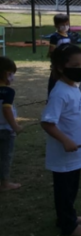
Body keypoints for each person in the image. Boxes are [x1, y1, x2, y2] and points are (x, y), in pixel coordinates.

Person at [40, 44, 81, 236]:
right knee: (64, 192)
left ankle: (69, 216)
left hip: (77, 152)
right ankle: (69, 227)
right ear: (61, 67)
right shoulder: (60, 92)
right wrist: (65, 140)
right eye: (76, 65)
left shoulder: (73, 87)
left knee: (71, 189)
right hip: (65, 155)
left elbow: (80, 112)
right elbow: (47, 123)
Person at [0, 56, 22, 191]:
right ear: (7, 74)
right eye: (12, 74)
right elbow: (6, 109)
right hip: (6, 131)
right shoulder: (8, 91)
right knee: (5, 157)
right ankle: (4, 183)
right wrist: (15, 126)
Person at [48, 13, 72, 97]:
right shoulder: (55, 37)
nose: (65, 26)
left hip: (67, 62)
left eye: (67, 24)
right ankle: (51, 96)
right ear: (56, 25)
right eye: (62, 25)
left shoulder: (69, 35)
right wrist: (54, 62)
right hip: (58, 62)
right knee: (54, 79)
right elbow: (52, 50)